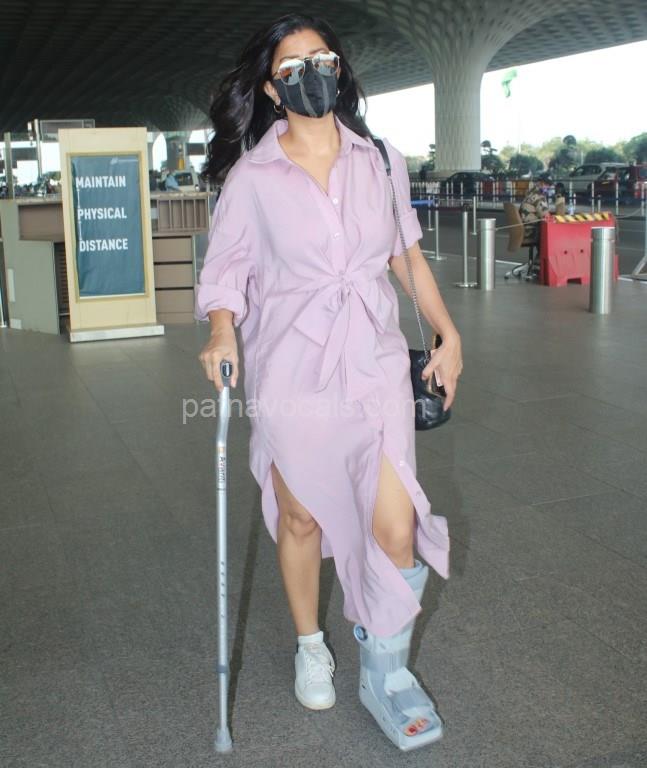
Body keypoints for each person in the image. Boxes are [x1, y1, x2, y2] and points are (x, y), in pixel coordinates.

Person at [195, 13, 462, 752]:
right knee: (301, 517)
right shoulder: (253, 178)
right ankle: (311, 642)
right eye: (291, 67)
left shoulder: (379, 159)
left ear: (338, 70)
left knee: (396, 524)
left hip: (373, 359)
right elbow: (225, 271)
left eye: (322, 59)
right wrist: (221, 329)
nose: (310, 74)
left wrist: (448, 334)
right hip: (292, 363)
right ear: (270, 90)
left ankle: (387, 672)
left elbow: (406, 255)